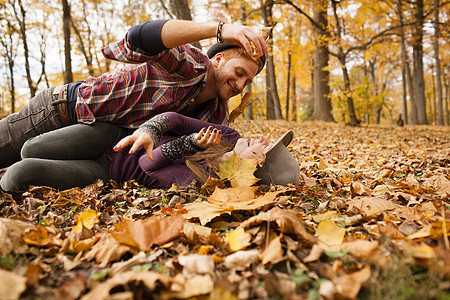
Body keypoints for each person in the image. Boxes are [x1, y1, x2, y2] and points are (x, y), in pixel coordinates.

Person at [0, 19, 268, 169]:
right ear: (219, 59)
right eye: (240, 72)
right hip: (63, 110)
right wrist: (221, 30)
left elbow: (200, 158)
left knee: (17, 174)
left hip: (95, 146)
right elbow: (138, 38)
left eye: (249, 80)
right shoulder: (192, 64)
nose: (241, 83)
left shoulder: (216, 113)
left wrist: (252, 155)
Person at [0, 112, 300, 192]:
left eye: (266, 147)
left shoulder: (206, 181)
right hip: (112, 137)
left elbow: (146, 165)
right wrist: (152, 131)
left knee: (16, 176)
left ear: (255, 168)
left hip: (106, 171)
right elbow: (175, 119)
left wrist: (190, 145)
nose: (262, 138)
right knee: (30, 147)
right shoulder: (229, 135)